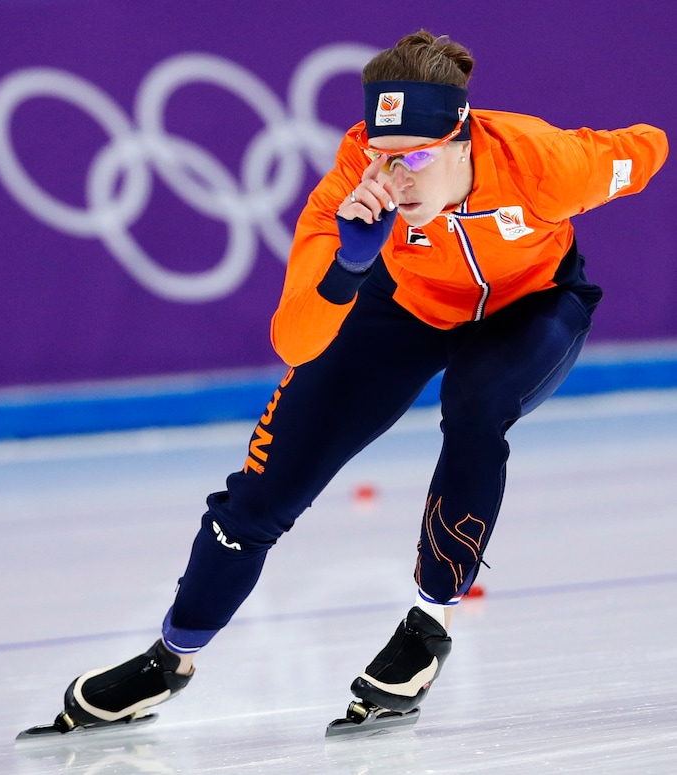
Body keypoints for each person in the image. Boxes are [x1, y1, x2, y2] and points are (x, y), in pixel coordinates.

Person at [50, 31, 669, 732]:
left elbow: (647, 145)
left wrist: (627, 158)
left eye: (416, 160)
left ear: (462, 139)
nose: (395, 179)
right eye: (383, 156)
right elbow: (295, 340)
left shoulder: (546, 165)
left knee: (475, 403)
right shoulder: (353, 188)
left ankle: (427, 627)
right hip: (401, 303)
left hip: (530, 305)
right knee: (262, 491)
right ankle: (170, 658)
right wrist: (347, 267)